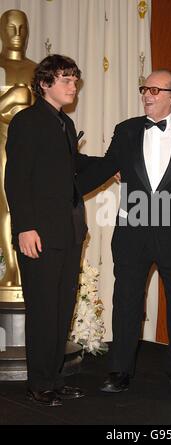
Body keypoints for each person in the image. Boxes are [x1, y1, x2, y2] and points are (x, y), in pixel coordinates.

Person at [77, 69, 171, 392]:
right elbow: (105, 167)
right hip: (133, 230)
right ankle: (119, 370)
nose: (147, 95)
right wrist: (66, 181)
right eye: (145, 88)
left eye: (156, 91)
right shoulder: (127, 130)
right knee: (127, 299)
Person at [4, 54, 99, 406]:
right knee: (43, 309)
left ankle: (54, 378)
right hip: (39, 233)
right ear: (44, 83)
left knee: (61, 309)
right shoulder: (27, 121)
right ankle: (38, 383)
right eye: (65, 80)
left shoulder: (65, 124)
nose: (73, 85)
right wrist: (25, 227)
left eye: (75, 79)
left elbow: (72, 170)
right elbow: (15, 179)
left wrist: (116, 163)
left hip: (69, 232)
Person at [0, 9, 36, 289]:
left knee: (24, 206)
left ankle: (24, 265)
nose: (17, 35)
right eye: (11, 28)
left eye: (22, 28)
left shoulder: (35, 69)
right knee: (5, 205)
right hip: (1, 143)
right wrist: (14, 96)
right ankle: (11, 268)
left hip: (28, 147)